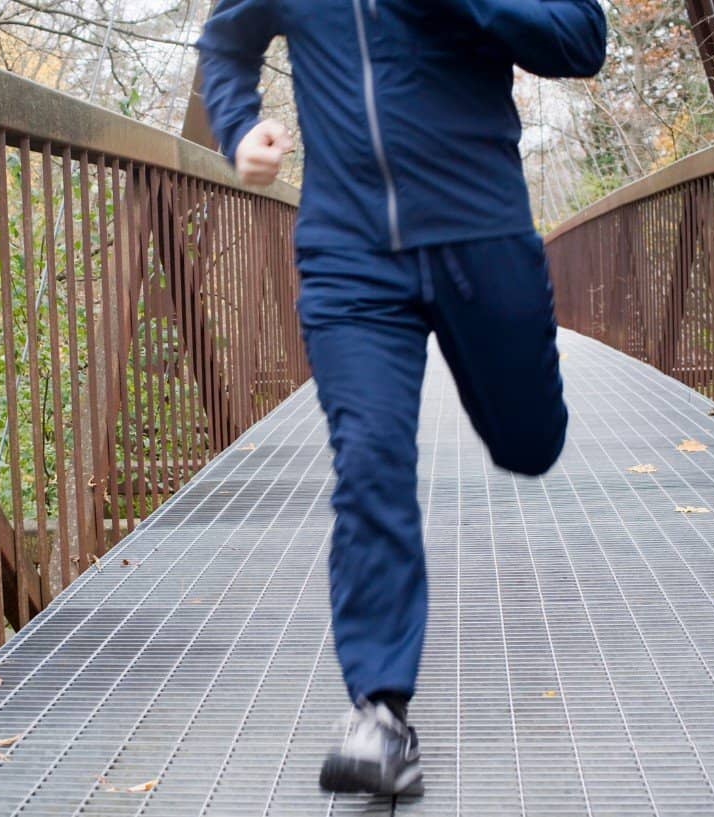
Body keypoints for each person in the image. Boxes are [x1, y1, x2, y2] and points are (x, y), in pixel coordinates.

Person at [196, 0, 606, 798]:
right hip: (349, 253)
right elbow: (225, 43)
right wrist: (239, 127)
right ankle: (379, 711)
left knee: (530, 441)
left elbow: (580, 38)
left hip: (479, 235)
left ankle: (520, 416)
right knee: (370, 459)